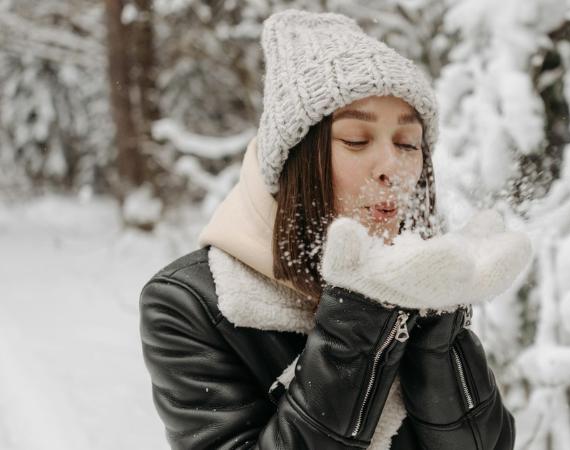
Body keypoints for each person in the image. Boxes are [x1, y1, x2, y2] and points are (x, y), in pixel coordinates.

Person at [139, 9, 532, 450]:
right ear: (296, 159)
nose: (393, 168)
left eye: (407, 144)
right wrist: (359, 317)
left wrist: (439, 330)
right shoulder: (191, 304)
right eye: (356, 141)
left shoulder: (419, 278)